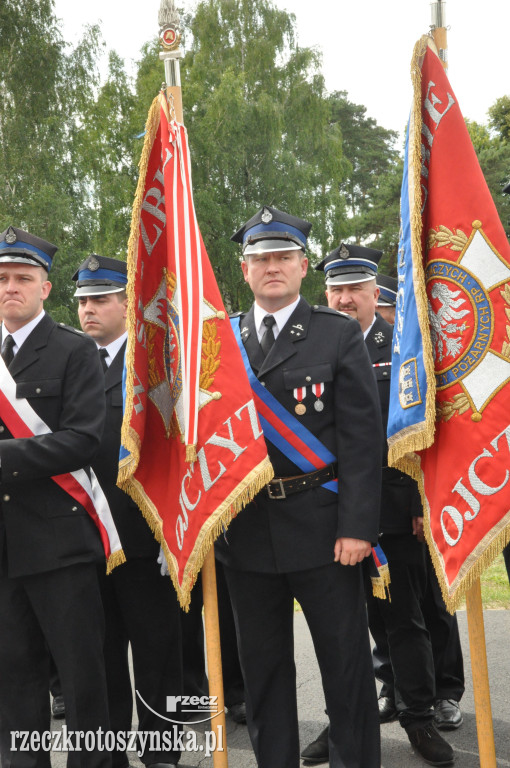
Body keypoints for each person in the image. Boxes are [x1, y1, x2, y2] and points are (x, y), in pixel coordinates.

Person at [215, 206, 383, 768]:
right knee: (262, 674)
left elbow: (363, 440)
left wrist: (358, 526)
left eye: (282, 257)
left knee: (346, 668)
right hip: (246, 535)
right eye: (261, 259)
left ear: (303, 266)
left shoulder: (334, 335)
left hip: (323, 529)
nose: (272, 268)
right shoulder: (220, 343)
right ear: (244, 270)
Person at [302, 244, 455, 767]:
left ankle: (419, 717)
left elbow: (420, 433)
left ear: (375, 292)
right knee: (341, 627)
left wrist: (419, 503)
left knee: (403, 620)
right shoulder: (315, 343)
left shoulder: (403, 347)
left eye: (355, 289)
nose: (345, 299)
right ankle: (345, 720)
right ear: (326, 292)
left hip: (392, 509)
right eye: (337, 289)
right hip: (327, 510)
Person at [0, 226, 111, 768]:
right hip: (3, 549)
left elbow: (84, 438)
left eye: (23, 278)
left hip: (59, 541)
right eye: (2, 278)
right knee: (13, 677)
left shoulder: (73, 350)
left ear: (46, 288)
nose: (10, 287)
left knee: (81, 676)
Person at [73, 255, 185, 768]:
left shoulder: (156, 366)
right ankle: (109, 754)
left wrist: (174, 532)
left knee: (159, 655)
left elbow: (178, 451)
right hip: (84, 539)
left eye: (99, 300)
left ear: (127, 304)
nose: (88, 310)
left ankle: (161, 753)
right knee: (99, 659)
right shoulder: (69, 361)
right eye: (81, 302)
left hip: (143, 540)